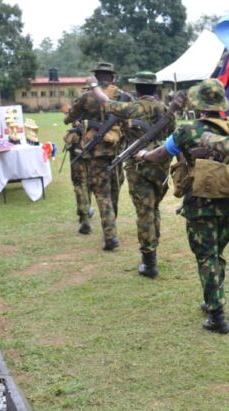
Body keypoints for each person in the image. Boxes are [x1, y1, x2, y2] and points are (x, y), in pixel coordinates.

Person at [140, 78, 229, 333]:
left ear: (198, 105)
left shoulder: (187, 131)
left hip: (199, 204)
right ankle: (213, 297)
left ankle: (217, 315)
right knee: (216, 252)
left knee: (206, 255)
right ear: (221, 105)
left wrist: (143, 155)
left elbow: (161, 155)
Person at [87, 71, 182, 278]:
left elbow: (106, 102)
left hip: (138, 166)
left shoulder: (132, 108)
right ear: (155, 89)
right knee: (153, 207)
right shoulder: (166, 109)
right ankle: (152, 248)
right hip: (160, 164)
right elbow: (172, 133)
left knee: (145, 212)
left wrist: (94, 86)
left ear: (137, 89)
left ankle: (149, 262)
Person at [64, 62, 131, 250]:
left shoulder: (87, 96)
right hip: (117, 149)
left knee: (102, 193)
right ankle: (112, 225)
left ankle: (110, 235)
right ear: (112, 77)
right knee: (115, 189)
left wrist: (73, 116)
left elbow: (69, 117)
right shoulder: (123, 95)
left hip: (96, 152)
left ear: (96, 76)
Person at [63, 91, 95, 235]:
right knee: (88, 181)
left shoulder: (80, 101)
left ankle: (85, 217)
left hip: (78, 146)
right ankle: (87, 210)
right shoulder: (103, 102)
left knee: (79, 182)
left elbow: (68, 119)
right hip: (95, 145)